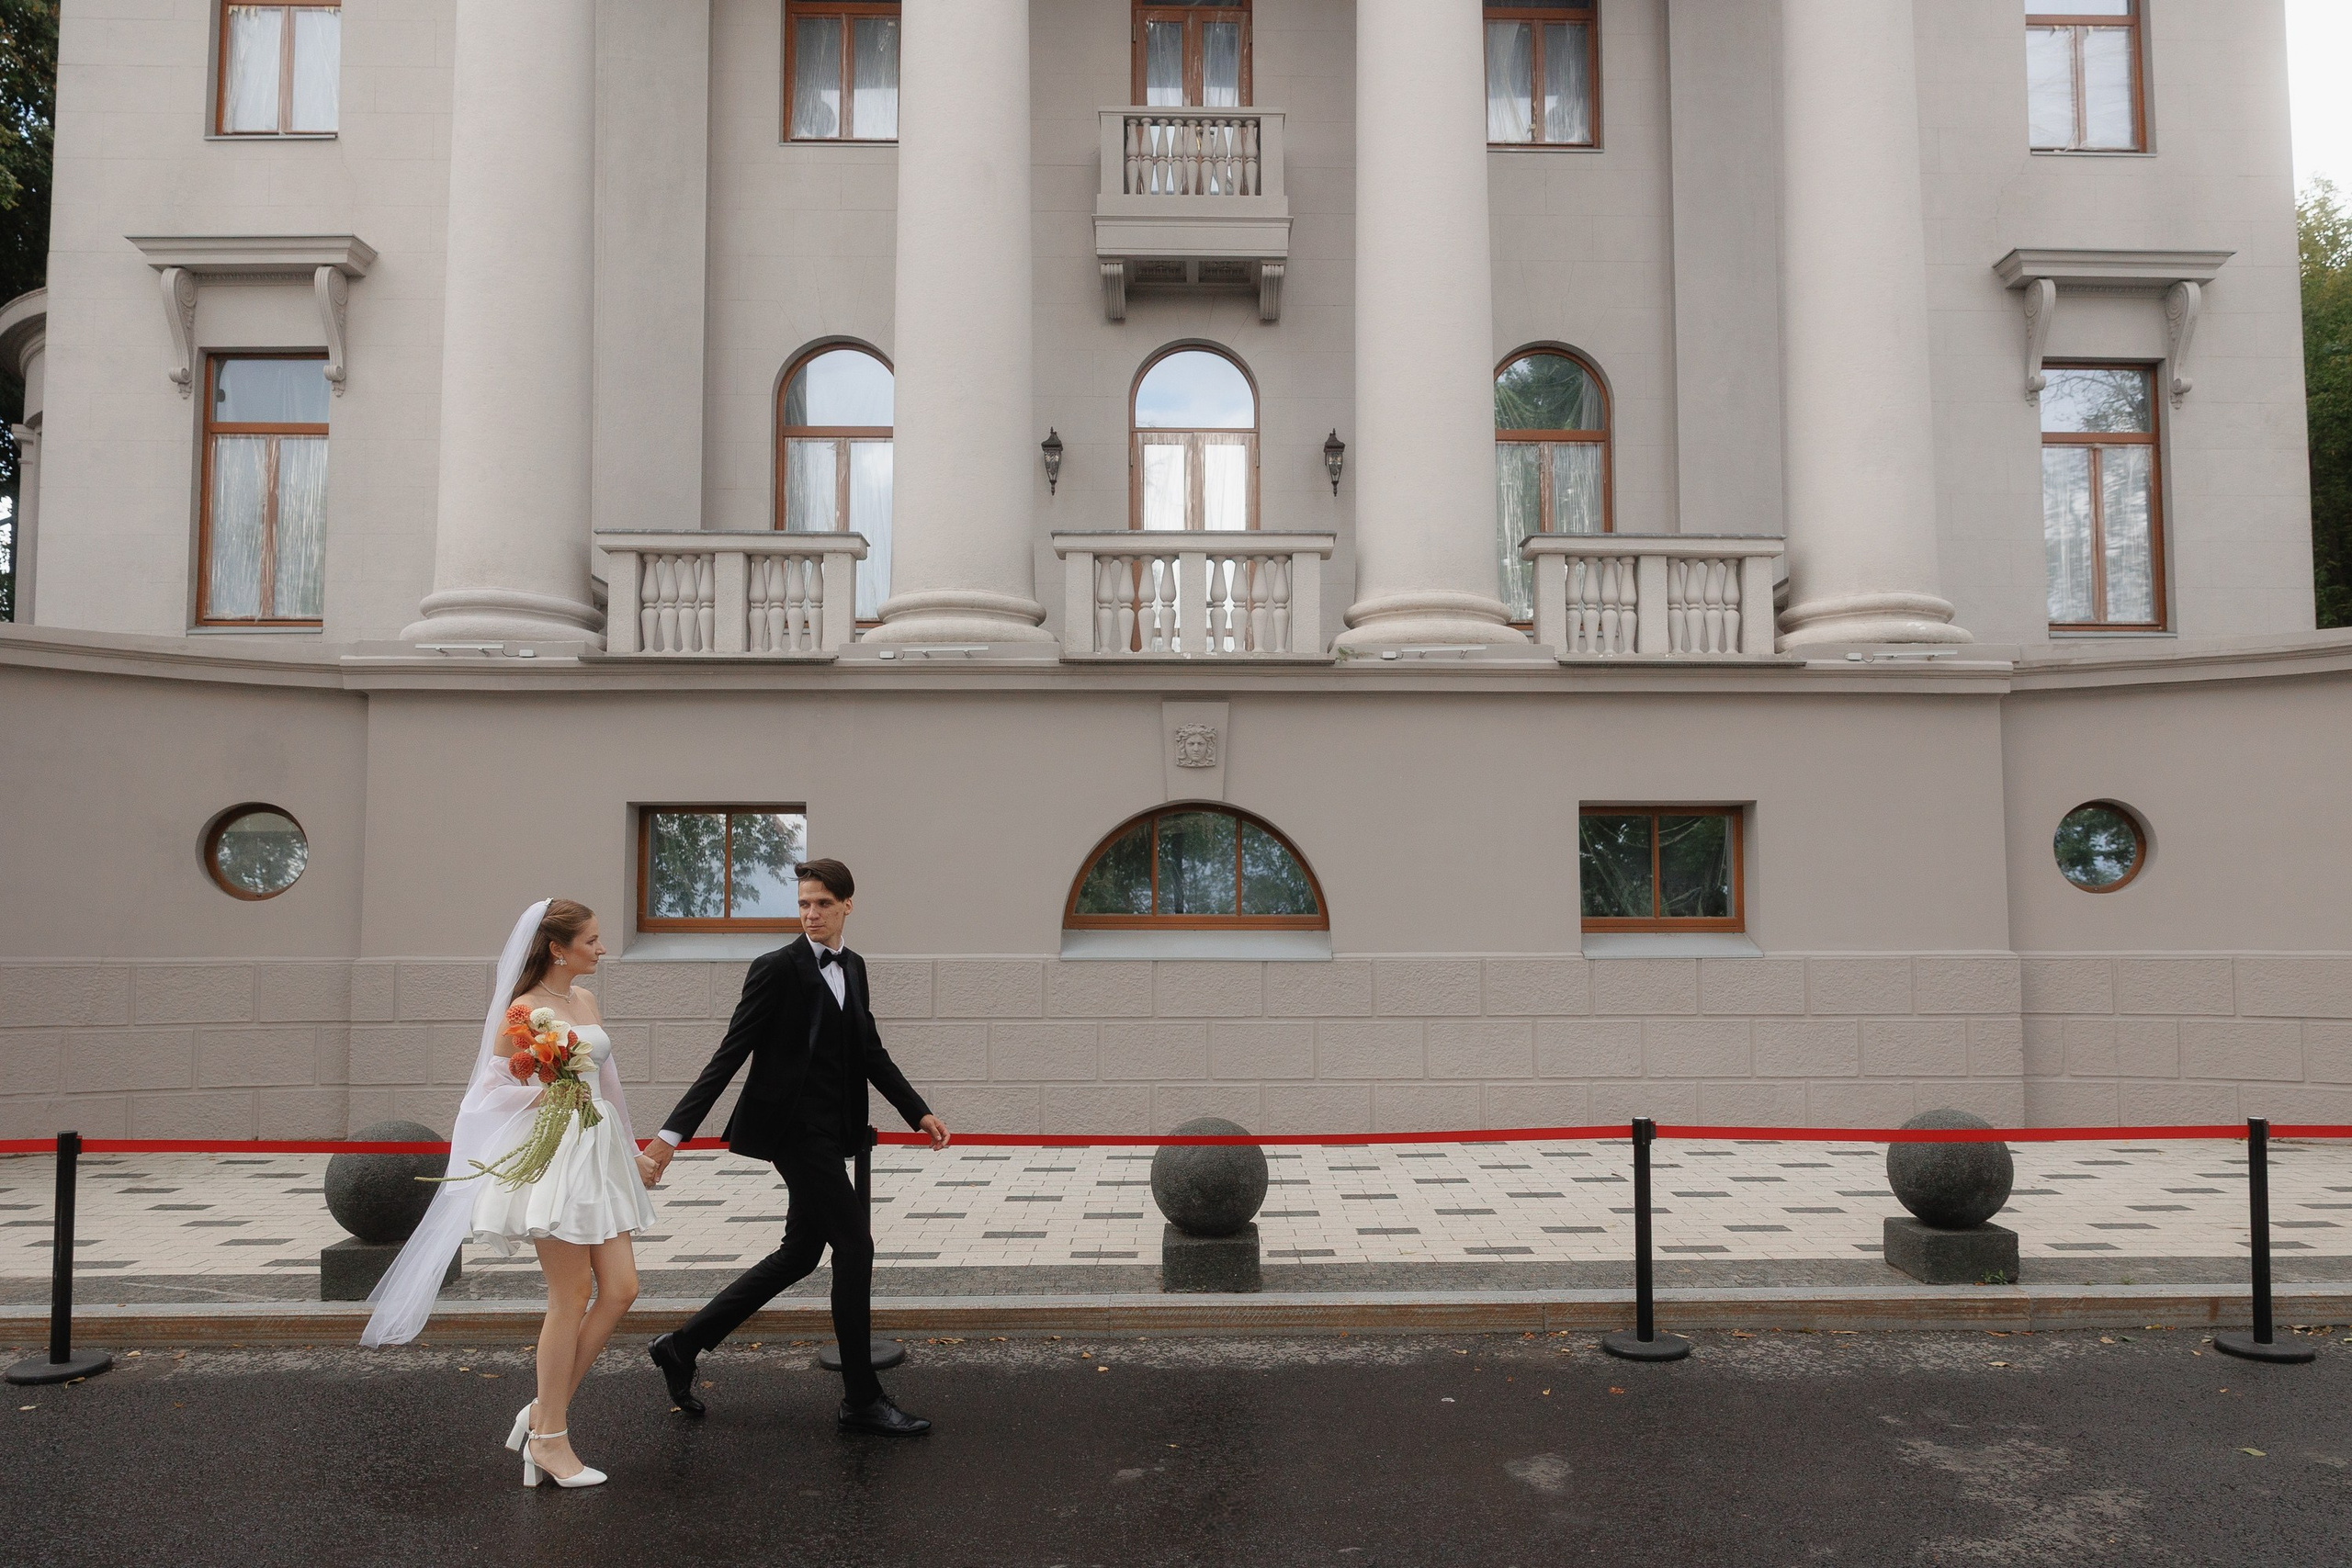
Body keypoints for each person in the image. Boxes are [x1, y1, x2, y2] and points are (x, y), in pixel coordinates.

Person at [636, 858, 950, 1436]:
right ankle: (860, 1398)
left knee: (802, 1253)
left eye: (823, 904)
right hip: (793, 1132)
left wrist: (917, 1111)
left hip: (834, 1133)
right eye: (804, 903)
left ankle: (682, 1346)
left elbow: (870, 1051)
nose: (811, 914)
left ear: (847, 905)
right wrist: (669, 1137)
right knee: (855, 1246)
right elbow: (729, 1055)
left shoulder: (853, 967)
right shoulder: (775, 969)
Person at [360, 899, 656, 1491]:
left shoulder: (586, 1003)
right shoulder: (522, 1010)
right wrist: (547, 1094)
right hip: (555, 1158)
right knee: (570, 1295)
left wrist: (633, 1147)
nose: (601, 949)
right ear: (558, 947)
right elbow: (490, 1092)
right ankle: (550, 1439)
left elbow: (609, 1084)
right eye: (592, 940)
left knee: (622, 1289)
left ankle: (542, 1413)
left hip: (597, 1154)